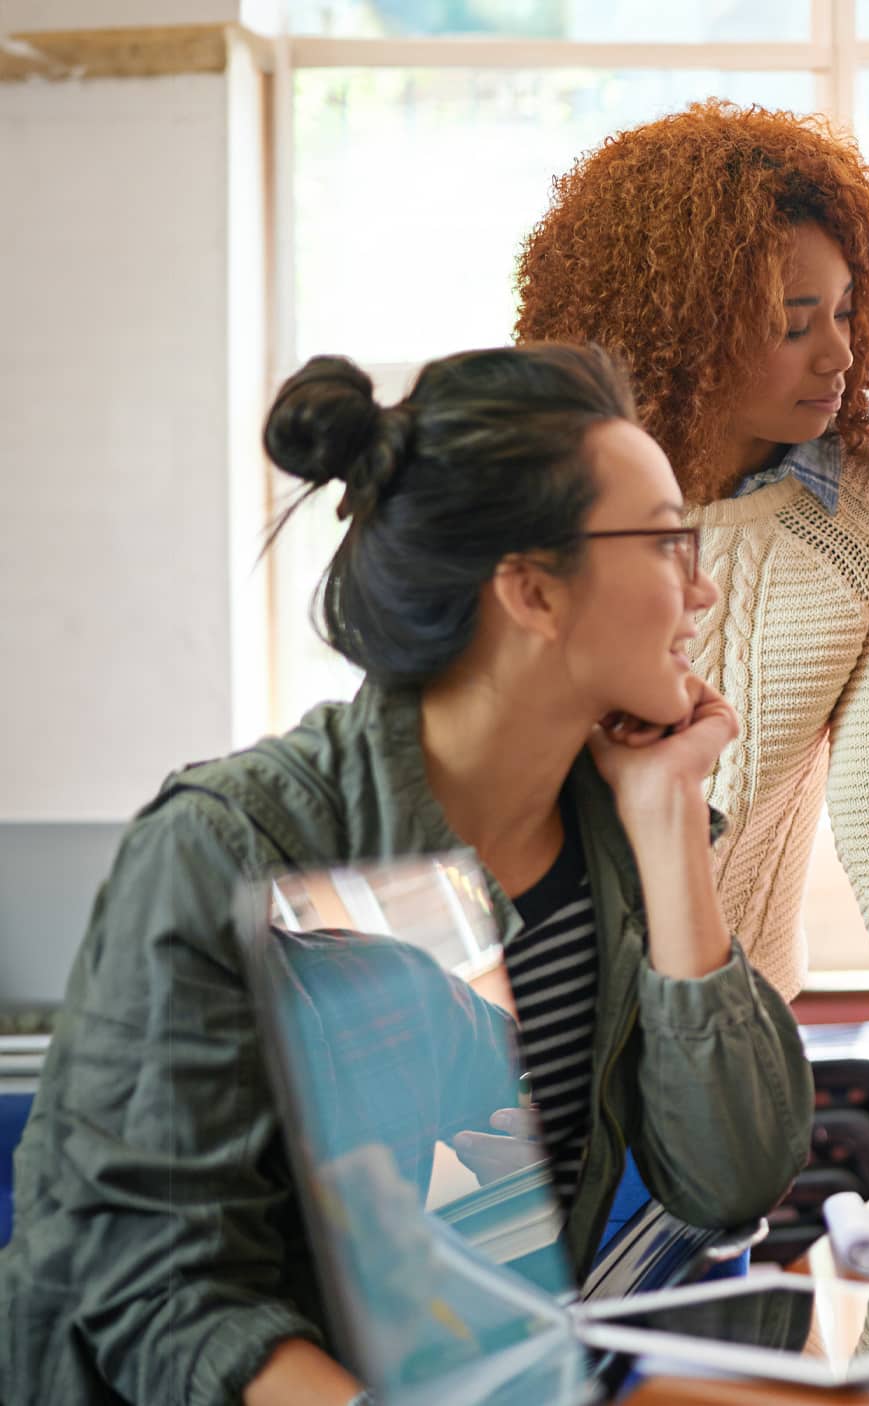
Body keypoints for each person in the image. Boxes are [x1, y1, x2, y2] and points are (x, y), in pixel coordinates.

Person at [0, 345, 814, 1406]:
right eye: (667, 542)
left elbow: (734, 1176)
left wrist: (666, 823)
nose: (701, 588)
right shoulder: (235, 845)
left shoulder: (610, 828)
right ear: (531, 589)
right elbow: (162, 1286)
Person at [516, 100, 869, 1014]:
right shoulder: (544, 492)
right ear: (682, 332)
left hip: (739, 1023)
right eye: (792, 323)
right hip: (531, 1020)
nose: (842, 354)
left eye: (848, 312)